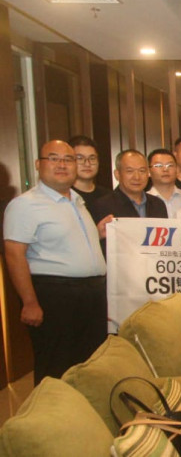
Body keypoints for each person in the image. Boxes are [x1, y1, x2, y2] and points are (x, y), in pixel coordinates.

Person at [3, 140, 107, 384]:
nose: (62, 164)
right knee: (56, 367)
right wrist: (29, 302)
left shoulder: (77, 201)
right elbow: (14, 254)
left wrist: (98, 234)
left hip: (90, 295)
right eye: (54, 158)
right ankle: (52, 409)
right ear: (38, 164)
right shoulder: (25, 204)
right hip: (55, 295)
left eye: (69, 159)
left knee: (88, 366)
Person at [92, 149, 168, 243]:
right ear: (117, 174)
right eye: (130, 171)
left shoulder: (158, 204)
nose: (137, 177)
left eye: (142, 171)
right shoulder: (103, 205)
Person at [67, 135, 111, 214]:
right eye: (80, 158)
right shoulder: (65, 195)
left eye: (92, 158)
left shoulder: (109, 196)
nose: (87, 164)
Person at [147, 149, 181, 217]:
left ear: (177, 169)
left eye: (170, 165)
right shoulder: (144, 201)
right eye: (158, 165)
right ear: (148, 171)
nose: (165, 169)